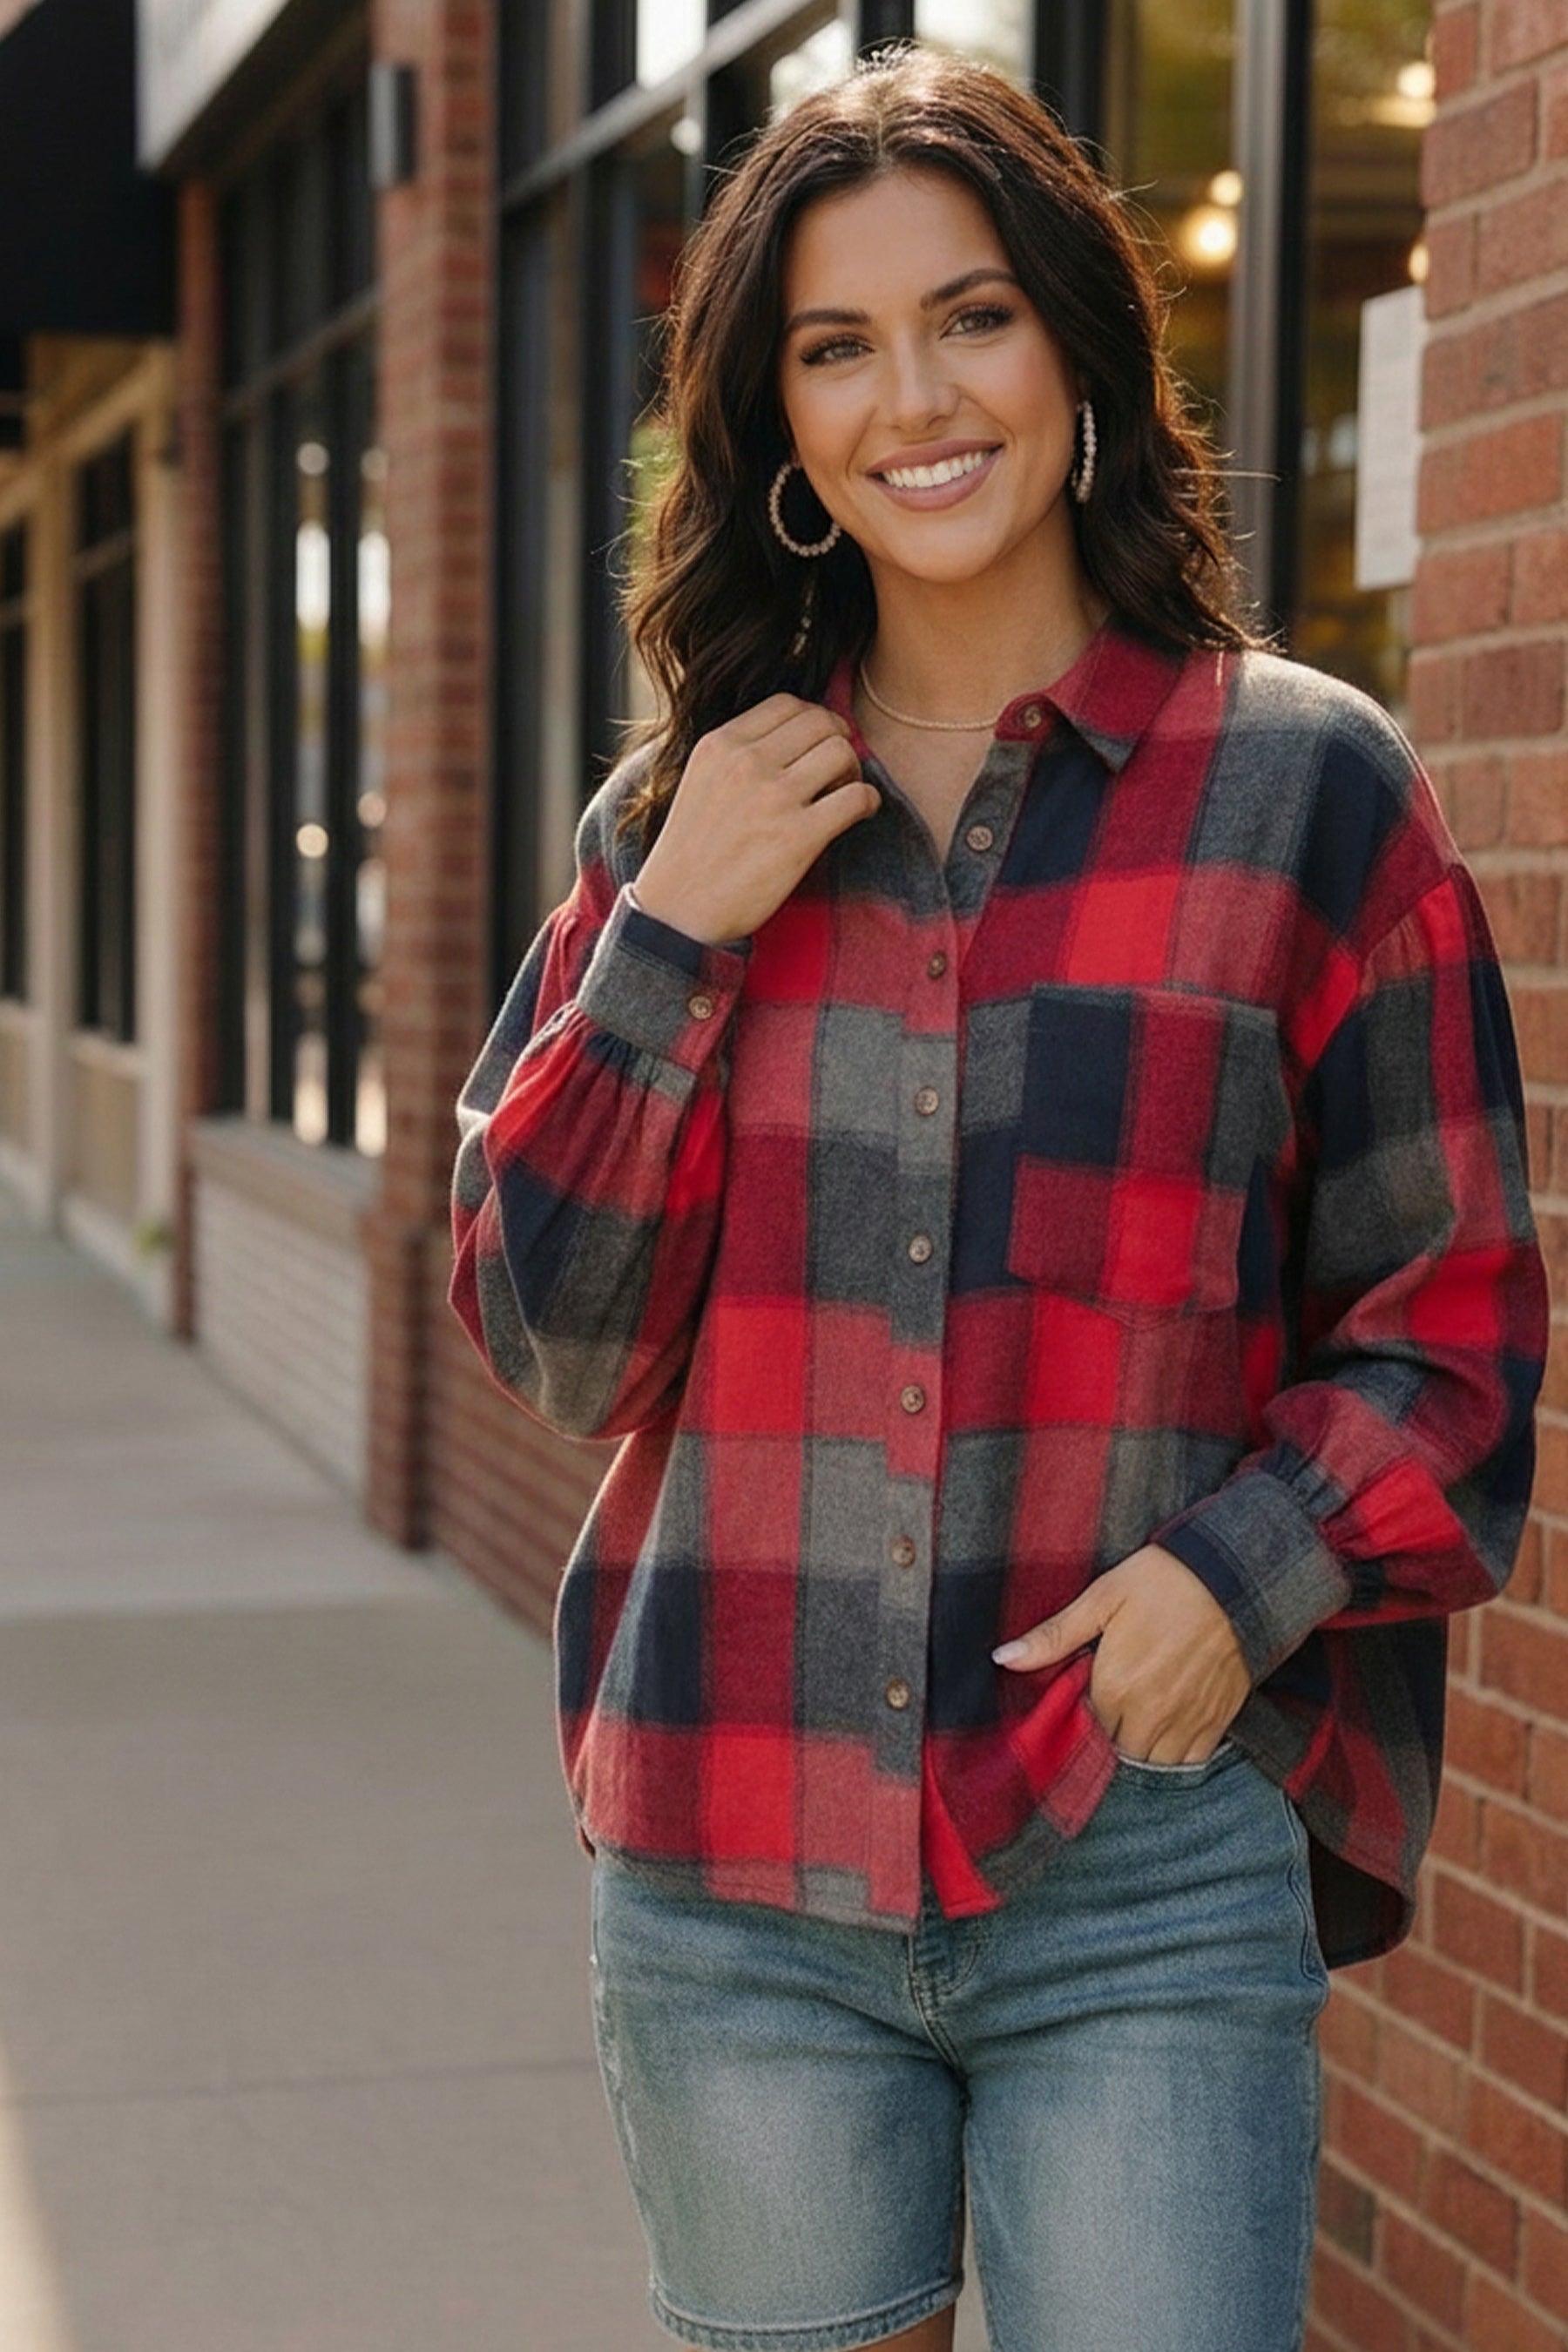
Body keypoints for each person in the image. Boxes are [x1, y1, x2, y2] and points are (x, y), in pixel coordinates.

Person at [450, 46, 1547, 2352]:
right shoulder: (691, 810)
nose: (912, 398)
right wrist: (674, 934)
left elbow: (1454, 1332)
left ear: (1076, 345)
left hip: (1135, 1847)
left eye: (970, 317)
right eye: (835, 348)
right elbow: (550, 1333)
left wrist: (1238, 1580)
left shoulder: (1304, 794)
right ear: (779, 433)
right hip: (732, 1866)